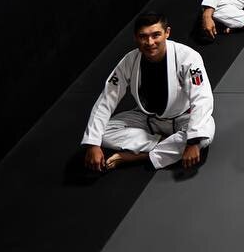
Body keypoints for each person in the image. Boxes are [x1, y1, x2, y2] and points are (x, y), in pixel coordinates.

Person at [82, 12, 214, 173]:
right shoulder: (129, 61)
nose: (150, 42)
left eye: (156, 35)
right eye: (143, 36)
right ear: (136, 38)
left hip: (183, 117)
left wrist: (193, 142)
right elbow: (106, 99)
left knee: (204, 134)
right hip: (148, 118)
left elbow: (202, 98)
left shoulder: (188, 57)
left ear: (167, 33)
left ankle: (139, 156)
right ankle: (167, 146)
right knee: (101, 132)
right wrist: (93, 144)